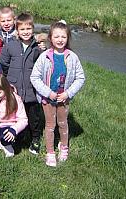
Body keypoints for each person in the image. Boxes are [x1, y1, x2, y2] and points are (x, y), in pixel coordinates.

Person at [30, 20, 86, 167]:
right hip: (47, 99)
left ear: (68, 38)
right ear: (50, 38)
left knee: (62, 123)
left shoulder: (72, 57)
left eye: (63, 37)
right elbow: (34, 77)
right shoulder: (45, 56)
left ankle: (64, 147)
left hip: (64, 99)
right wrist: (48, 93)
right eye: (57, 37)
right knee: (49, 125)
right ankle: (50, 152)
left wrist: (68, 93)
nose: (60, 40)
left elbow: (80, 77)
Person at [0, 13, 43, 155]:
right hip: (15, 90)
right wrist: (11, 79)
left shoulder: (37, 48)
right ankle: (17, 137)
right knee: (16, 115)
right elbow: (4, 63)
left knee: (34, 117)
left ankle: (35, 139)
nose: (26, 32)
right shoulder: (10, 46)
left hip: (32, 91)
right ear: (17, 30)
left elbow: (42, 66)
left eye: (28, 29)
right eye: (22, 29)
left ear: (33, 29)